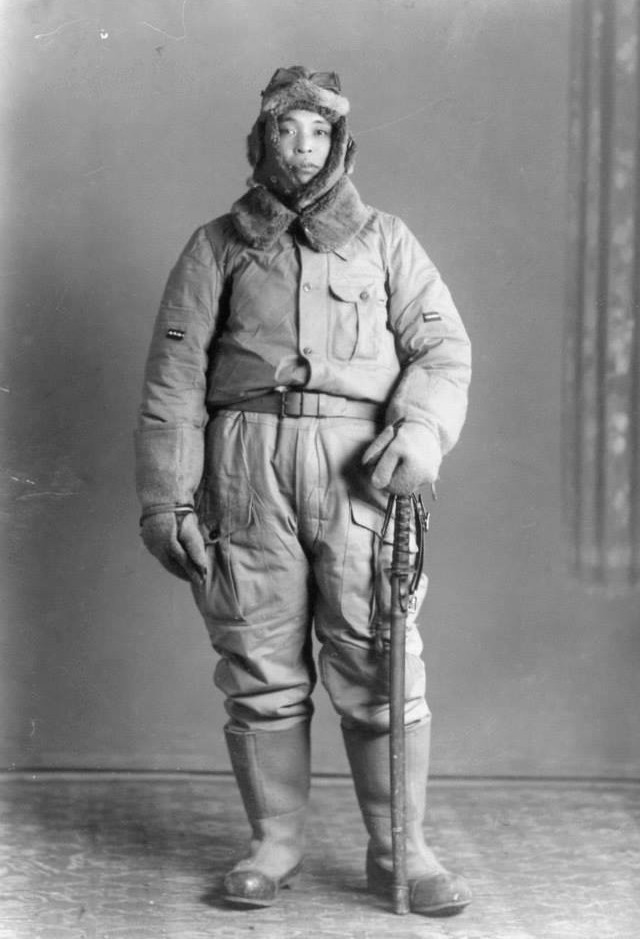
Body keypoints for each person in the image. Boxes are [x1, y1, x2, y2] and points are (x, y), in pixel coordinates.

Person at [135, 66, 472, 917]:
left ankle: (404, 846)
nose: (301, 148)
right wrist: (169, 497)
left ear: (341, 144)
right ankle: (274, 842)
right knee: (258, 659)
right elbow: (173, 378)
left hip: (358, 467)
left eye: (318, 133)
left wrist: (419, 431)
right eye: (286, 131)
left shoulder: (388, 241)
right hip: (245, 463)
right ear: (261, 142)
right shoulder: (216, 246)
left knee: (378, 653)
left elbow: (442, 354)